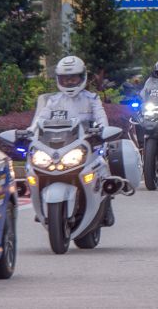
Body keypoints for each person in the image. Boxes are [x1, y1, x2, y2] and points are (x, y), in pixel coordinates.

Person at [30, 55, 115, 225]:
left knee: (102, 165)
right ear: (59, 79)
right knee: (34, 169)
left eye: (73, 78)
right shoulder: (53, 101)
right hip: (58, 146)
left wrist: (103, 131)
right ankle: (42, 202)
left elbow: (101, 119)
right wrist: (28, 132)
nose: (69, 82)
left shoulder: (92, 99)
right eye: (65, 79)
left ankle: (105, 204)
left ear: (82, 77)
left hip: (86, 145)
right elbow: (39, 120)